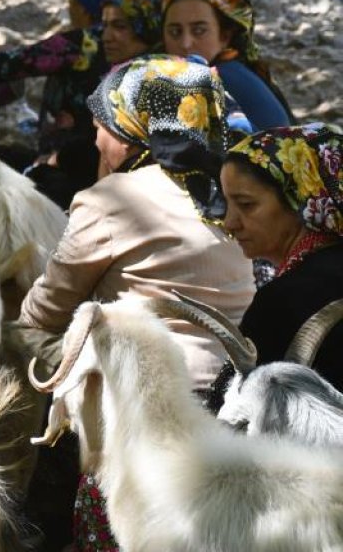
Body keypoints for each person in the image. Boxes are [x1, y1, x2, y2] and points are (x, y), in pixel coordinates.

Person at [20, 55, 256, 550]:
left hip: (141, 412)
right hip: (231, 407)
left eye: (100, 127)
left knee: (35, 345)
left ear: (129, 133)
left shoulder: (113, 200)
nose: (96, 141)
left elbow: (42, 314)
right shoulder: (235, 194)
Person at [0, 0, 129, 209]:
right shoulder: (141, 44)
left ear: (86, 6)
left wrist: (0, 55)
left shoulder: (81, 43)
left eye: (72, 2)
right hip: (106, 166)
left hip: (66, 162)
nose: (69, 9)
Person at [222, 123, 343, 386]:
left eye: (246, 205)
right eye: (227, 204)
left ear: (300, 200)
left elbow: (232, 406)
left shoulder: (282, 303)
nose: (229, 222)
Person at [164, 0, 294, 132]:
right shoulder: (234, 69)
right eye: (175, 32)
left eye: (199, 31)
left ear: (225, 36)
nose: (185, 43)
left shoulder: (220, 77)